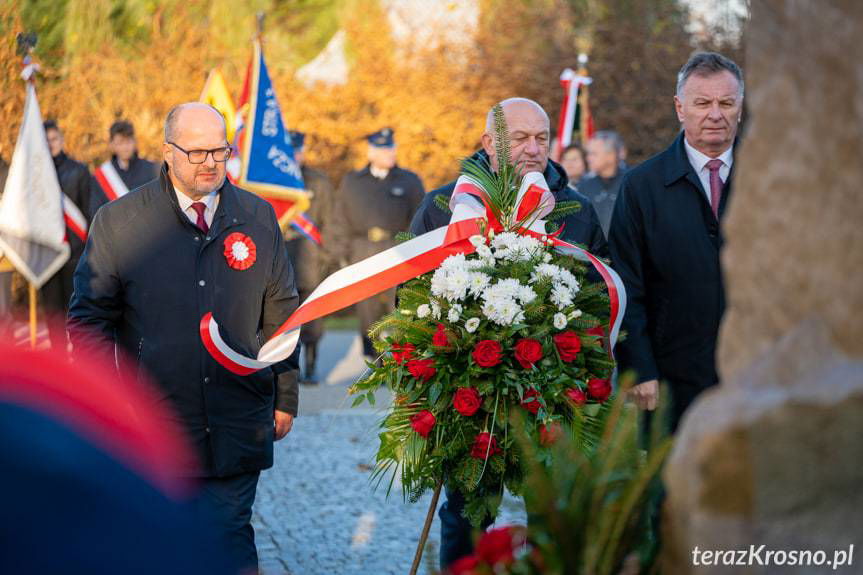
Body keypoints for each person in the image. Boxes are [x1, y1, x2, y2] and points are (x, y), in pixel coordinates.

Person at [68, 103, 299, 571]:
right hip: (154, 417)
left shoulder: (256, 215)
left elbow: (282, 312)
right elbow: (89, 319)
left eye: (219, 150)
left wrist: (286, 395)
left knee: (230, 532)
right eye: (196, 152)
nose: (210, 162)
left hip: (239, 412)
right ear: (168, 152)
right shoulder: (121, 222)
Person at [410, 98, 607, 569]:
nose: (533, 148)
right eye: (519, 138)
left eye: (541, 138)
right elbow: (410, 295)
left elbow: (600, 296)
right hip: (470, 392)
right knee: (465, 517)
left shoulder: (575, 210)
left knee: (552, 516)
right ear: (489, 144)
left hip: (553, 394)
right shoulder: (446, 207)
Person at [608, 52, 743, 431]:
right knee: (669, 490)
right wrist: (638, 367)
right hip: (669, 382)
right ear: (680, 108)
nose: (715, 114)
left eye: (726, 103)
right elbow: (626, 284)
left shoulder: (770, 182)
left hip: (756, 376)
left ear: (740, 108)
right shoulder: (642, 187)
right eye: (702, 103)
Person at [332, 128, 425, 359]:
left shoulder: (409, 181)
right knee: (367, 310)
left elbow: (420, 217)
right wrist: (343, 256)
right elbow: (340, 219)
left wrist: (415, 254)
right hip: (363, 251)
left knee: (401, 307)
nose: (390, 153)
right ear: (371, 152)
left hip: (397, 249)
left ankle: (405, 359)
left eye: (392, 148)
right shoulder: (353, 182)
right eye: (384, 149)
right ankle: (375, 361)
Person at [284, 130, 335, 384]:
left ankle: (311, 366)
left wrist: (326, 256)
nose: (296, 155)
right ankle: (285, 371)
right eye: (291, 150)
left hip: (310, 259)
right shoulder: (272, 180)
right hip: (282, 257)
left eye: (299, 150)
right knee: (280, 316)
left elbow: (329, 221)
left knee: (311, 317)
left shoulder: (318, 181)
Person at [39, 120, 92, 353]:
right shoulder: (35, 175)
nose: (50, 144)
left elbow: (89, 211)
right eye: (46, 140)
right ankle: (59, 360)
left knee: (76, 312)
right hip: (48, 254)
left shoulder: (78, 170)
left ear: (61, 139)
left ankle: (80, 360)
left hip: (75, 253)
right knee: (52, 314)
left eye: (54, 139)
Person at [90, 120, 159, 215]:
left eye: (128, 142)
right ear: (112, 145)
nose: (125, 147)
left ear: (134, 142)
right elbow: (96, 212)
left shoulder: (152, 170)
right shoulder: (101, 176)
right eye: (120, 143)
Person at [580, 131, 627, 238]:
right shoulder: (584, 185)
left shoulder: (631, 183)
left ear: (611, 155)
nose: (588, 158)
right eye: (588, 153)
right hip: (594, 251)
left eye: (594, 154)